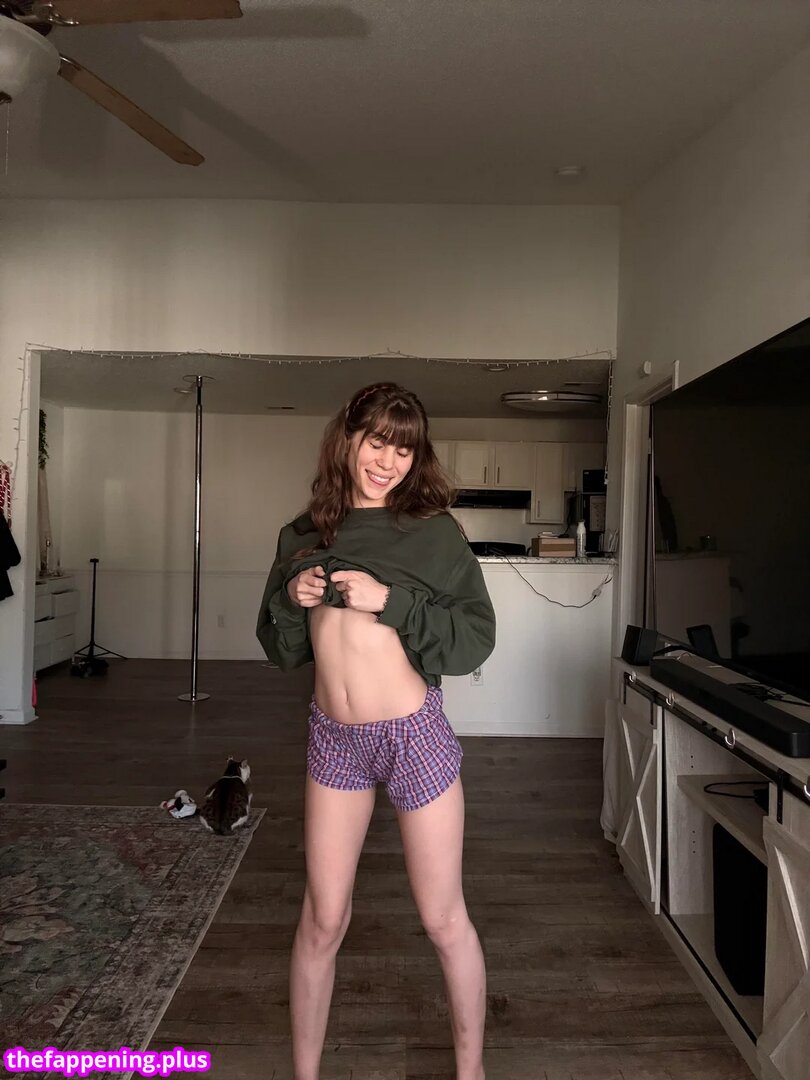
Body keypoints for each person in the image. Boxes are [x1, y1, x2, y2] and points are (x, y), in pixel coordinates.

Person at [256, 382, 496, 1080]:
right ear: (348, 439)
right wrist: (291, 599)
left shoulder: (434, 534)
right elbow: (281, 650)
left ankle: (471, 1072)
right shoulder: (302, 536)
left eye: (404, 448)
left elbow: (475, 638)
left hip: (412, 734)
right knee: (323, 919)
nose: (387, 461)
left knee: (443, 919)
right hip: (334, 739)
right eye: (377, 442)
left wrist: (389, 600)